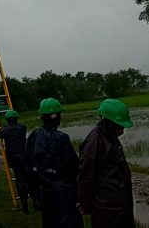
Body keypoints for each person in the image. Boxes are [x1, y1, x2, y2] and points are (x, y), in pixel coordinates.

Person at [77, 98, 135, 228]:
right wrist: (84, 203)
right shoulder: (93, 143)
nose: (122, 131)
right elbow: (86, 177)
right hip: (106, 209)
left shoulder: (111, 137)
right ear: (106, 121)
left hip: (122, 203)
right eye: (118, 126)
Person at [25, 98, 83, 228]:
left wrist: (34, 192)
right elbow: (74, 167)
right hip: (64, 194)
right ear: (55, 116)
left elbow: (28, 166)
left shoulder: (33, 136)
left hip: (44, 193)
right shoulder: (61, 138)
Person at [0, 109, 29, 213]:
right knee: (29, 179)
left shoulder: (5, 130)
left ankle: (25, 208)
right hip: (24, 157)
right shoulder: (22, 128)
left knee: (20, 180)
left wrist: (4, 127)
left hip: (13, 159)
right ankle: (37, 203)